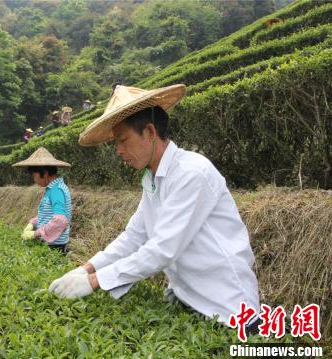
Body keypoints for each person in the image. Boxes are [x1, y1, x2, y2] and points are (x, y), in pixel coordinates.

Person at [48, 85, 260, 332]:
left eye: (123, 140)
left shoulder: (192, 173)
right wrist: (86, 269)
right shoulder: (153, 179)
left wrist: (95, 282)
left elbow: (163, 249)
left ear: (149, 132)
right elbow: (134, 236)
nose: (118, 150)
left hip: (228, 308)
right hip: (187, 300)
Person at [12, 147, 72, 254]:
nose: (34, 180)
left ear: (44, 174)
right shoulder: (53, 188)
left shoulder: (56, 190)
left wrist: (36, 234)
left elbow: (60, 220)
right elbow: (48, 215)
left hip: (54, 246)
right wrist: (33, 223)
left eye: (34, 176)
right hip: (51, 243)